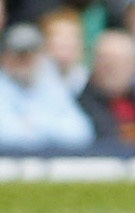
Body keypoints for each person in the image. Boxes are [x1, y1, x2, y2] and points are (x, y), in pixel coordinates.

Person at [0, 22, 92, 151]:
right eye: (19, 55)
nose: (26, 60)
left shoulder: (51, 85)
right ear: (5, 57)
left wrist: (35, 124)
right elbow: (6, 136)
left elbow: (81, 133)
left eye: (31, 54)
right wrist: (53, 127)